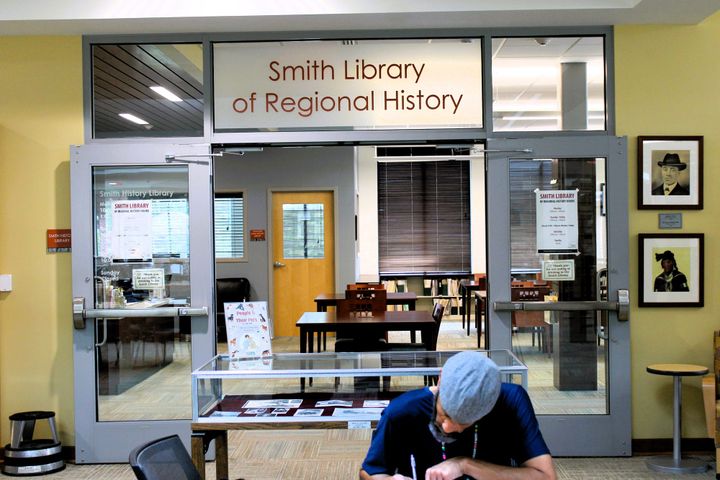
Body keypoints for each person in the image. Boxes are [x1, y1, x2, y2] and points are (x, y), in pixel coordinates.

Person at [360, 351, 556, 480]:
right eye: (445, 414)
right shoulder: (402, 411)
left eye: (463, 423)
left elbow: (545, 476)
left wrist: (465, 465)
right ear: (439, 379)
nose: (447, 427)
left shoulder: (511, 401)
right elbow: (368, 473)